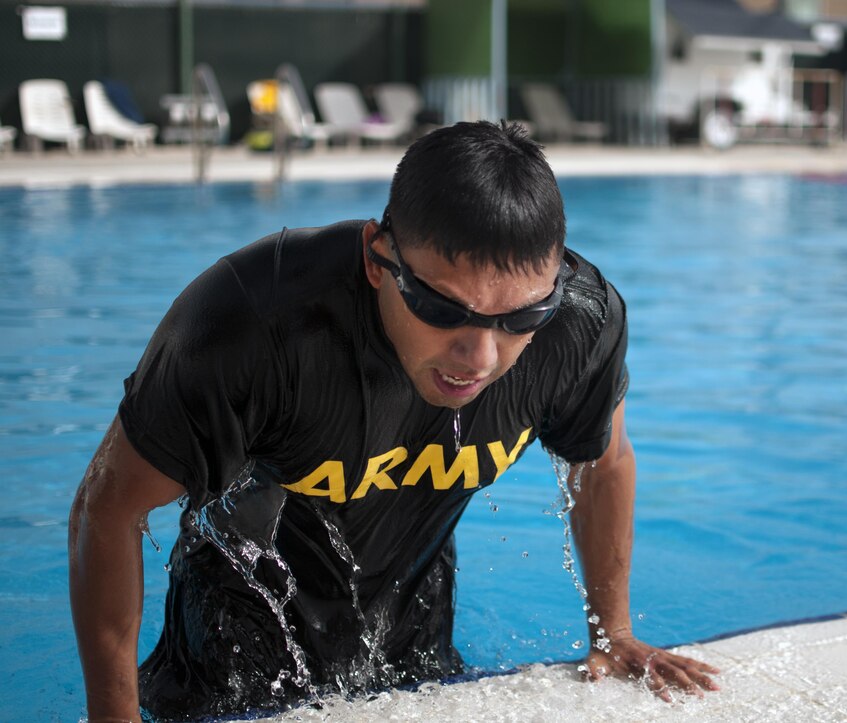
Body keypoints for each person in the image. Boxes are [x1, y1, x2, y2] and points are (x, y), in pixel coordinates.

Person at [69, 121, 720, 721]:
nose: (480, 357)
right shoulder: (255, 328)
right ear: (379, 259)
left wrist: (614, 632)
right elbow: (110, 504)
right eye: (444, 308)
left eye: (518, 317)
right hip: (240, 607)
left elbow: (604, 462)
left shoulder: (577, 325)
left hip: (410, 605)